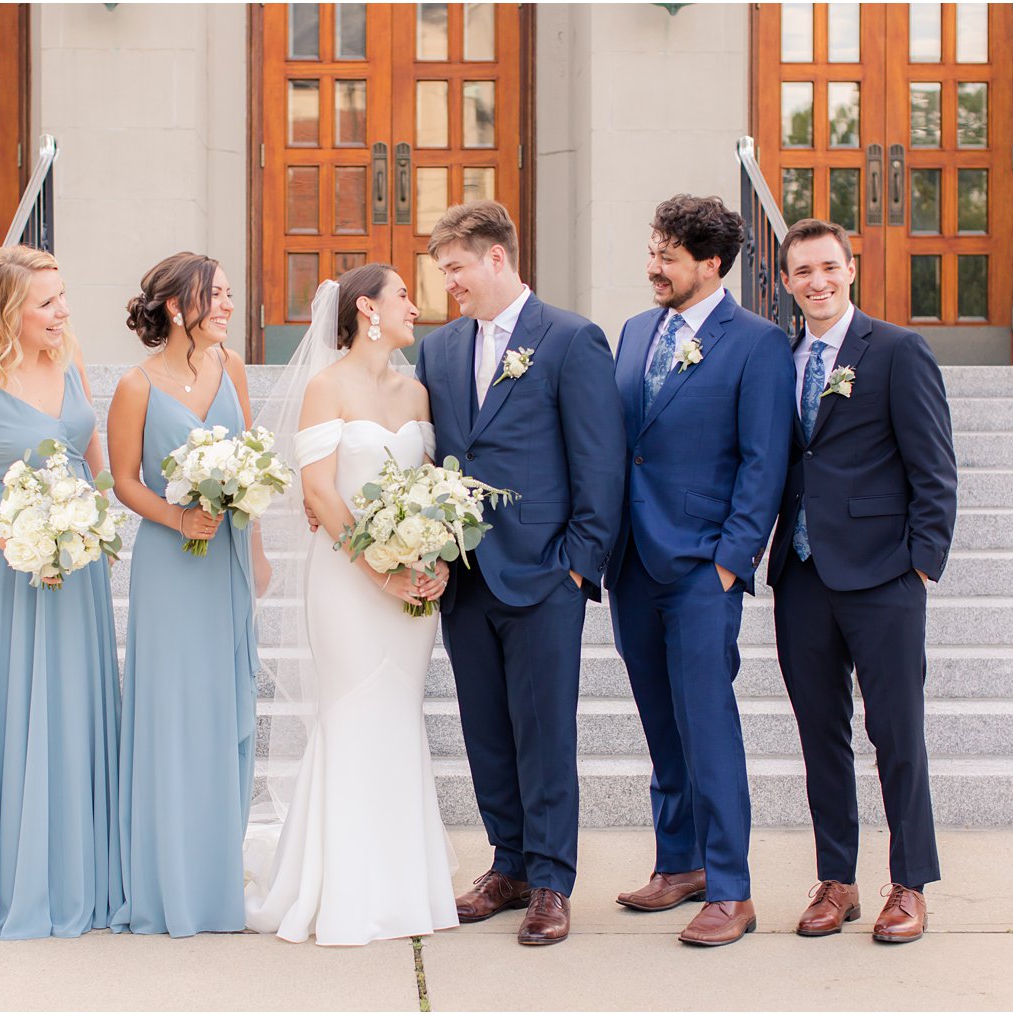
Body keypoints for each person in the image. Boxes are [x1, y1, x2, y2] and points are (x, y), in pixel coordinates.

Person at [416, 201, 625, 946]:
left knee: (544, 732)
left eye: (457, 268)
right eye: (444, 272)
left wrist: (576, 566)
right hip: (465, 576)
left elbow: (600, 463)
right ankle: (505, 862)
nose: (450, 285)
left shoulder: (569, 339)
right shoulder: (439, 351)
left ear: (497, 257)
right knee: (485, 730)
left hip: (543, 577)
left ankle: (549, 880)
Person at [244, 264, 459, 946]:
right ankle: (340, 890)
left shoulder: (419, 390)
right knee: (353, 713)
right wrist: (378, 570)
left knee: (399, 713)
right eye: (402, 295)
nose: (413, 306)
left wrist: (437, 558)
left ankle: (404, 890)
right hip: (346, 580)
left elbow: (434, 489)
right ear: (367, 308)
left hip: (412, 588)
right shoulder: (325, 386)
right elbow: (319, 495)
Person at [604, 195, 794, 947]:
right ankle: (677, 862)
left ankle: (732, 886)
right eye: (653, 248)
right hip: (632, 566)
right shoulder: (633, 332)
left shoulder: (756, 344)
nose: (654, 265)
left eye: (668, 255)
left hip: (700, 571)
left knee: (707, 725)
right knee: (661, 725)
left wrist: (729, 564)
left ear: (710, 264)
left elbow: (764, 462)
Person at [0, 245, 123, 939]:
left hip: (76, 567)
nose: (63, 311)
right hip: (1, 568)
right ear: (7, 309)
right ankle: (4, 882)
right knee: (6, 712)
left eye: (63, 297)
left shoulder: (70, 361)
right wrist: (15, 536)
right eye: (47, 302)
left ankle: (75, 876)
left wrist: (98, 518)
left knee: (70, 708)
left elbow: (92, 459)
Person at [767, 218, 957, 944]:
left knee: (897, 733)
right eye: (802, 272)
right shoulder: (781, 359)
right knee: (820, 734)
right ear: (785, 282)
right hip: (804, 573)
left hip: (883, 575)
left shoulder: (898, 350)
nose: (816, 282)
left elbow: (935, 469)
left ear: (850, 270)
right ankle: (836, 880)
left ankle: (908, 882)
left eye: (827, 268)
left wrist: (921, 561)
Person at [106, 252, 269, 936]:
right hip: (172, 568)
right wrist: (179, 517)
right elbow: (122, 480)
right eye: (218, 295)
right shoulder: (136, 387)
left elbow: (254, 459)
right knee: (174, 716)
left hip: (225, 561)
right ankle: (166, 881)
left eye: (231, 293)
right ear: (178, 307)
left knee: (224, 708)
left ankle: (214, 875)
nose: (228, 305)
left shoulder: (231, 368)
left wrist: (255, 551)